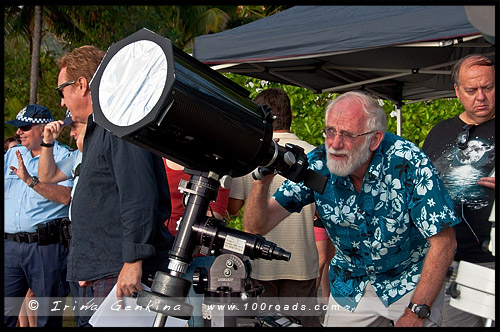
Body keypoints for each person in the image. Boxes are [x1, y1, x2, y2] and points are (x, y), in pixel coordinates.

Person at [243, 90, 461, 327]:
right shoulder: (318, 164)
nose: (335, 144)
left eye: (347, 135)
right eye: (330, 131)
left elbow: (444, 242)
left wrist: (416, 312)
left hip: (409, 284)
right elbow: (257, 226)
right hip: (351, 285)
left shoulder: (408, 163)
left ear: (375, 139)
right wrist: (260, 182)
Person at [55, 45, 175, 311]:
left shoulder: (118, 124)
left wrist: (133, 261)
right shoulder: (100, 129)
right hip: (100, 272)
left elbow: (139, 195)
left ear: (81, 85)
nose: (61, 102)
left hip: (118, 275)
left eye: (61, 91)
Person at [227, 88, 320, 327]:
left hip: (258, 264)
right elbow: (321, 212)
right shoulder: (313, 154)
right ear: (291, 115)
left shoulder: (250, 154)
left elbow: (233, 209)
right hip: (302, 263)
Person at [422, 54, 495, 327]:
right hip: (440, 260)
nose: (481, 97)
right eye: (471, 90)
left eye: (488, 88)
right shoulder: (440, 131)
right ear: (456, 91)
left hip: (488, 262)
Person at [4, 104, 73, 327]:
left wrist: (31, 182)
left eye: (24, 127)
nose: (18, 132)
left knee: (46, 320)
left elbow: (66, 197)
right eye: (17, 127)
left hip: (45, 249)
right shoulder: (12, 156)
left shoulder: (64, 155)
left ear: (44, 129)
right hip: (11, 247)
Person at [38, 110, 93, 327]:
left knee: (94, 314)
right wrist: (48, 143)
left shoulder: (107, 149)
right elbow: (46, 176)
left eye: (74, 127)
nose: (71, 134)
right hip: (76, 241)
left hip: (96, 242)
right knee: (81, 314)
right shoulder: (78, 156)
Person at [163, 159, 230, 327]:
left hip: (195, 260)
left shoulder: (216, 164)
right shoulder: (154, 158)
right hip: (158, 254)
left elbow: (214, 217)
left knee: (199, 321)